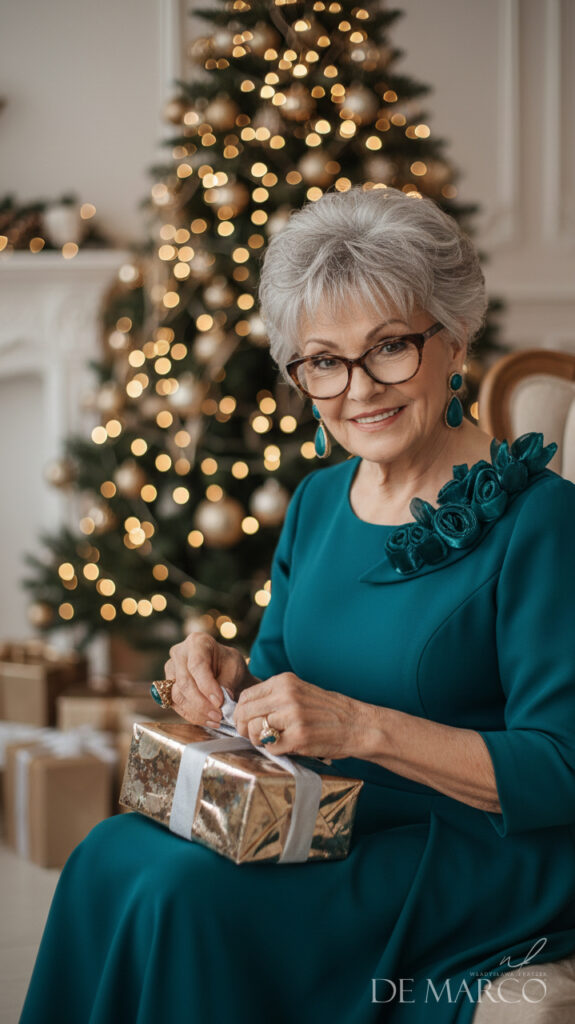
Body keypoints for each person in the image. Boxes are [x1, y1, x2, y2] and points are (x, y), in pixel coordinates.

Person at [20, 186, 575, 1024]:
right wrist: (227, 677)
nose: (358, 389)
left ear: (453, 340)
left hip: (464, 849)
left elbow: (559, 769)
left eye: (389, 347)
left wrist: (362, 729)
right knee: (108, 853)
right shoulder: (319, 500)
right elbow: (283, 691)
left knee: (181, 893)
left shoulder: (540, 518)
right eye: (322, 360)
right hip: (318, 815)